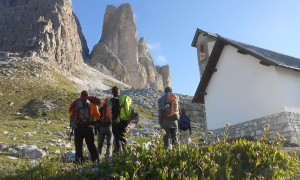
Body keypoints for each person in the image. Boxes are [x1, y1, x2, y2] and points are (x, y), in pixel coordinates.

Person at [69, 90, 100, 164]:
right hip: (88, 127)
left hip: (78, 128)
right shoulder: (92, 103)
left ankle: (79, 161)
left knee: (78, 146)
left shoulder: (76, 103)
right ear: (88, 95)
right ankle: (95, 160)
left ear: (81, 96)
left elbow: (71, 115)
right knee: (91, 144)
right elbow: (98, 116)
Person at [108, 86, 129, 153]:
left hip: (115, 121)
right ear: (119, 92)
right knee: (123, 136)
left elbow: (109, 112)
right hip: (124, 121)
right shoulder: (123, 99)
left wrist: (111, 119)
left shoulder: (110, 101)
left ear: (112, 92)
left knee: (117, 137)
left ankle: (119, 153)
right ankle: (125, 152)